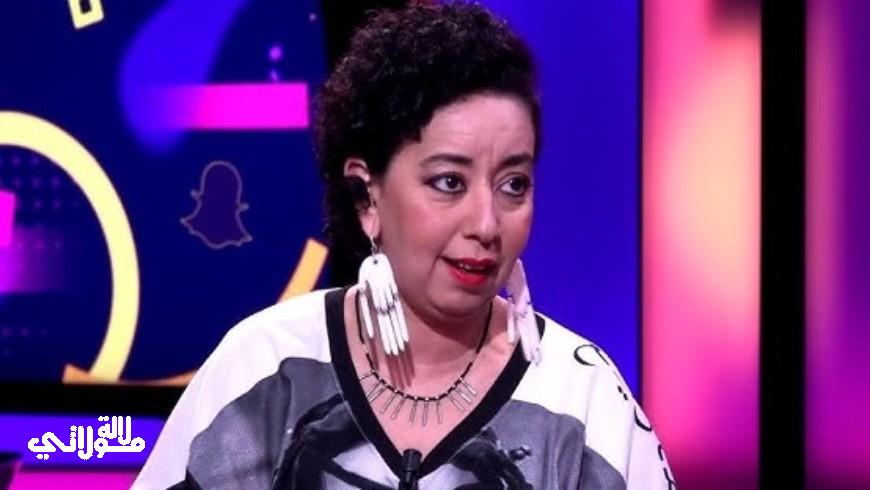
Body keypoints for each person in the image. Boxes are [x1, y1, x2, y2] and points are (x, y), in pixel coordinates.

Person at [133, 3, 674, 489]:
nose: (487, 224)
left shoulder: (585, 401)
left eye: (514, 185)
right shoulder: (264, 368)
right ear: (366, 196)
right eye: (449, 182)